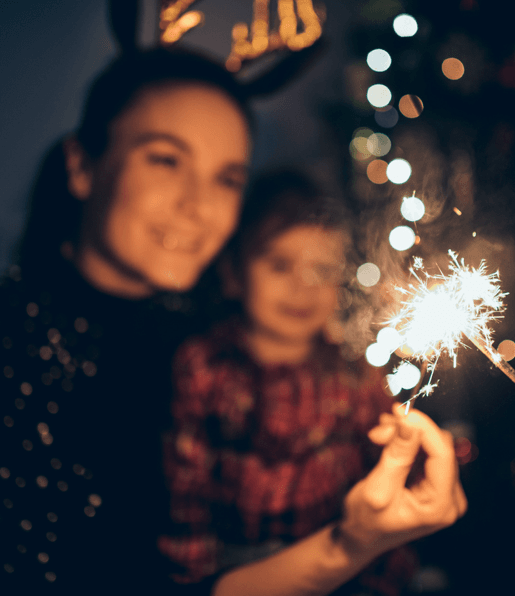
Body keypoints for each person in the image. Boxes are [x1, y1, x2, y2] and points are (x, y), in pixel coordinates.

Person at [0, 48, 466, 594]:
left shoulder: (215, 323)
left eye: (226, 179)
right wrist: (349, 545)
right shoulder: (23, 357)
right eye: (166, 160)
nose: (199, 207)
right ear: (81, 164)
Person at [160, 171, 465, 595]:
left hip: (344, 563)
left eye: (322, 270)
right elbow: (184, 492)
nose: (303, 287)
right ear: (232, 273)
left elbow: (383, 476)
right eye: (281, 264)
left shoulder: (354, 374)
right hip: (233, 566)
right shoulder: (203, 366)